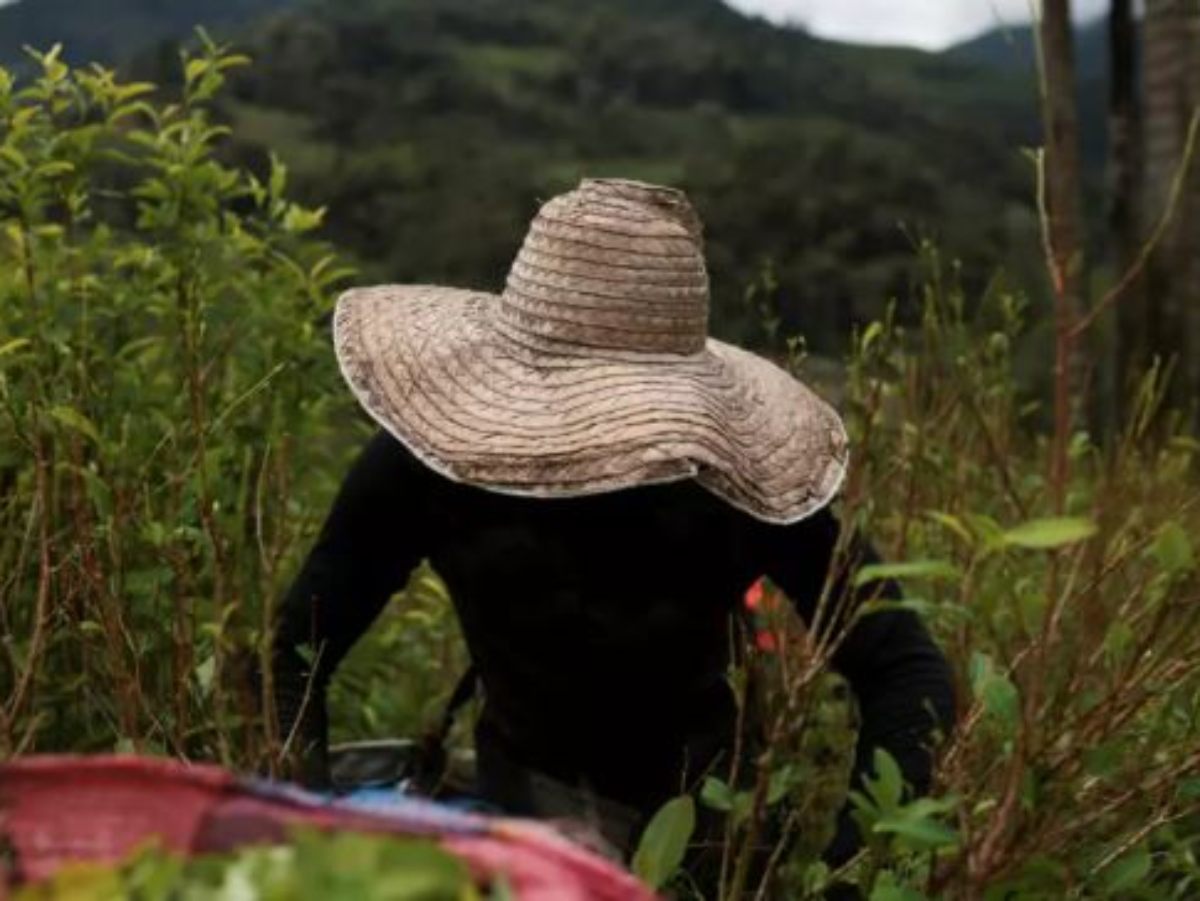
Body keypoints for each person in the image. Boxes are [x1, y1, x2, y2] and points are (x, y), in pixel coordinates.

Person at [272, 179, 955, 873]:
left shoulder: (730, 477)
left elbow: (904, 667)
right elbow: (297, 648)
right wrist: (305, 833)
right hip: (519, 808)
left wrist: (850, 865)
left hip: (706, 830)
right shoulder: (431, 463)